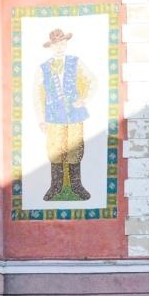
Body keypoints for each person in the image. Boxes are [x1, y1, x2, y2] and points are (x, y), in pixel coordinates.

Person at [33, 28, 96, 203]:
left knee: (75, 148)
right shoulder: (43, 68)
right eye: (56, 44)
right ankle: (56, 186)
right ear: (51, 46)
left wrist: (84, 99)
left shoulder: (76, 62)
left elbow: (92, 80)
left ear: (66, 43)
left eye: (62, 43)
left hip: (75, 114)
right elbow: (37, 95)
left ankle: (77, 186)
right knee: (54, 150)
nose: (60, 47)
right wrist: (41, 120)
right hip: (53, 116)